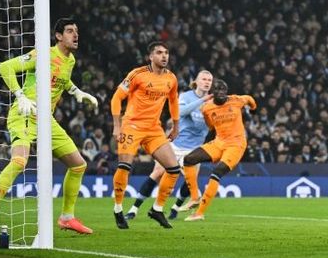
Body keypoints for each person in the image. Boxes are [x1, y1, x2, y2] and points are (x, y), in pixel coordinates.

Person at [0, 18, 98, 236]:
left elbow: (61, 80)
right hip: (25, 113)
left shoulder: (70, 60)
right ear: (59, 36)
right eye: (70, 31)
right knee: (19, 161)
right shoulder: (43, 54)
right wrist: (20, 95)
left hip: (46, 120)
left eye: (76, 31)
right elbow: (5, 67)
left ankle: (66, 217)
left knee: (78, 165)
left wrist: (76, 92)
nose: (75, 35)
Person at [110, 42, 181, 229]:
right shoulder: (137, 74)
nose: (164, 56)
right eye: (159, 53)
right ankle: (118, 209)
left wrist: (175, 126)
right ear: (151, 56)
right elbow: (117, 98)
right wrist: (117, 126)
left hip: (154, 129)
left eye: (166, 53)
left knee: (173, 169)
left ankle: (157, 209)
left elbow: (173, 101)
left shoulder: (171, 78)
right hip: (132, 126)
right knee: (125, 166)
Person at [125, 70, 213, 220]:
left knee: (190, 181)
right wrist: (202, 100)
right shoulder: (186, 96)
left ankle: (175, 208)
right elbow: (180, 112)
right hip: (175, 145)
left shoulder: (213, 102)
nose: (207, 82)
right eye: (204, 79)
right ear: (196, 82)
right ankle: (134, 209)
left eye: (209, 80)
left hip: (194, 148)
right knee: (158, 173)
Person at [181, 79, 257, 220]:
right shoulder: (206, 108)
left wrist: (253, 107)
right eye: (218, 89)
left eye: (224, 89)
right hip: (219, 142)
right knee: (189, 159)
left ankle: (199, 213)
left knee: (217, 173)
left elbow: (250, 99)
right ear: (213, 92)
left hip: (236, 144)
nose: (221, 93)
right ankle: (194, 197)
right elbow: (211, 126)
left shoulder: (236, 100)